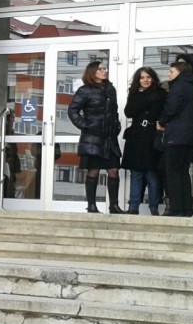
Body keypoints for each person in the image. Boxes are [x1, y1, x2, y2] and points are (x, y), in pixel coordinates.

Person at [67, 60, 123, 213]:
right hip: (93, 138)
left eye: (105, 68)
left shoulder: (110, 89)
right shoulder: (84, 90)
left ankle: (114, 206)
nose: (104, 71)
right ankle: (91, 205)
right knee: (94, 171)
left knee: (114, 170)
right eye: (100, 69)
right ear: (92, 72)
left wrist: (116, 125)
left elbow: (114, 111)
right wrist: (86, 125)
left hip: (110, 138)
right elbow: (73, 111)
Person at [156, 59, 193, 217]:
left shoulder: (178, 87)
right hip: (191, 135)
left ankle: (176, 208)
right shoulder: (192, 87)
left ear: (179, 73)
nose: (169, 75)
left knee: (173, 172)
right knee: (182, 172)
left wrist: (161, 121)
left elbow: (171, 108)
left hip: (177, 136)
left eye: (171, 72)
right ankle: (186, 208)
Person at [121, 67, 166, 215]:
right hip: (136, 136)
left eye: (148, 77)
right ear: (137, 80)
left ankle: (154, 208)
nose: (145, 80)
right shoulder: (134, 94)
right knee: (136, 173)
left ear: (153, 78)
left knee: (152, 173)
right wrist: (145, 97)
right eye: (142, 77)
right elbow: (129, 112)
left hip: (153, 136)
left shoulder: (161, 94)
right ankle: (133, 207)